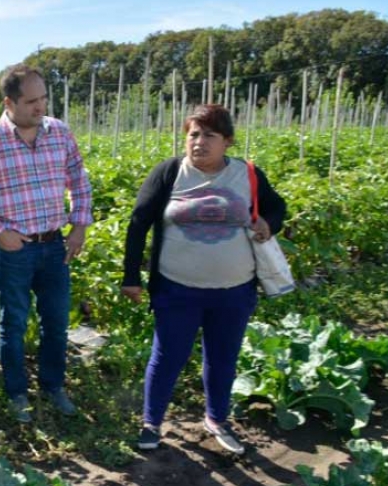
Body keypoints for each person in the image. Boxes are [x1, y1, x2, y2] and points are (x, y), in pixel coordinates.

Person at [121, 104, 287, 455]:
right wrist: (131, 276)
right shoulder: (169, 173)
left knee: (223, 356)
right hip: (176, 288)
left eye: (209, 135)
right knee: (167, 355)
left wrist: (268, 223)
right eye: (193, 134)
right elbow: (138, 223)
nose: (199, 142)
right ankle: (151, 423)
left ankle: (217, 419)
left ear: (227, 141)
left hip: (235, 289)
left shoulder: (248, 174)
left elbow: (277, 206)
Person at [0, 64, 93, 423]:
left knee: (56, 322)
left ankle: (53, 386)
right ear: (9, 102)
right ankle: (17, 393)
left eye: (44, 98)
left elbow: (79, 180)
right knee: (13, 323)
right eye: (31, 100)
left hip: (54, 246)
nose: (40, 106)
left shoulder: (60, 134)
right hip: (13, 249)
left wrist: (79, 226)